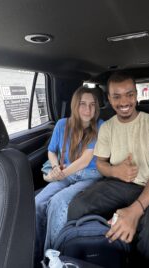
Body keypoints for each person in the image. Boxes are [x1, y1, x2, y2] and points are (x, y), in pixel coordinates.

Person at [67, 72, 149, 268]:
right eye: (116, 96)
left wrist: (134, 211)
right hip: (115, 185)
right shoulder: (107, 128)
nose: (124, 101)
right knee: (77, 206)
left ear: (136, 95)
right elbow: (100, 163)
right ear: (108, 99)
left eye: (129, 94)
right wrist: (115, 171)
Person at [34, 87, 104, 267]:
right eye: (82, 104)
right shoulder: (62, 124)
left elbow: (85, 160)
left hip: (89, 174)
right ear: (75, 105)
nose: (88, 109)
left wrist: (56, 176)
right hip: (64, 171)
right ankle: (36, 253)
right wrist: (56, 168)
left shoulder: (101, 125)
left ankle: (54, 258)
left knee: (58, 202)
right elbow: (51, 151)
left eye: (92, 105)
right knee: (38, 202)